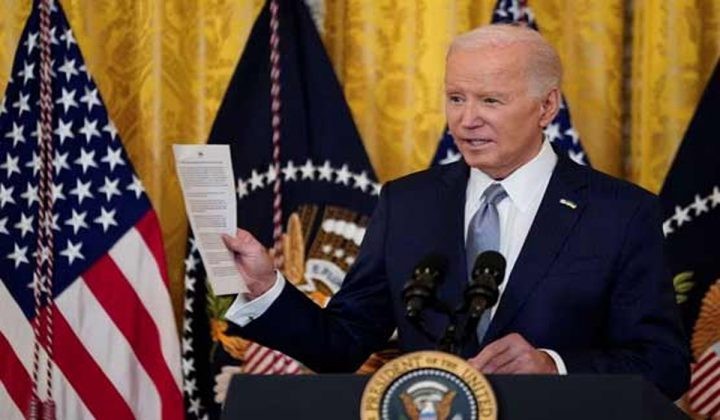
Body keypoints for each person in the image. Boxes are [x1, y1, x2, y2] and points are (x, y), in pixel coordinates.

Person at [221, 24, 690, 399]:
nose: (467, 120)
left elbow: (664, 365)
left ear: (547, 106)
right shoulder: (407, 203)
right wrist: (266, 288)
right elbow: (341, 344)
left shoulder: (620, 213)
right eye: (456, 98)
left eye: (491, 101)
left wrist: (554, 366)